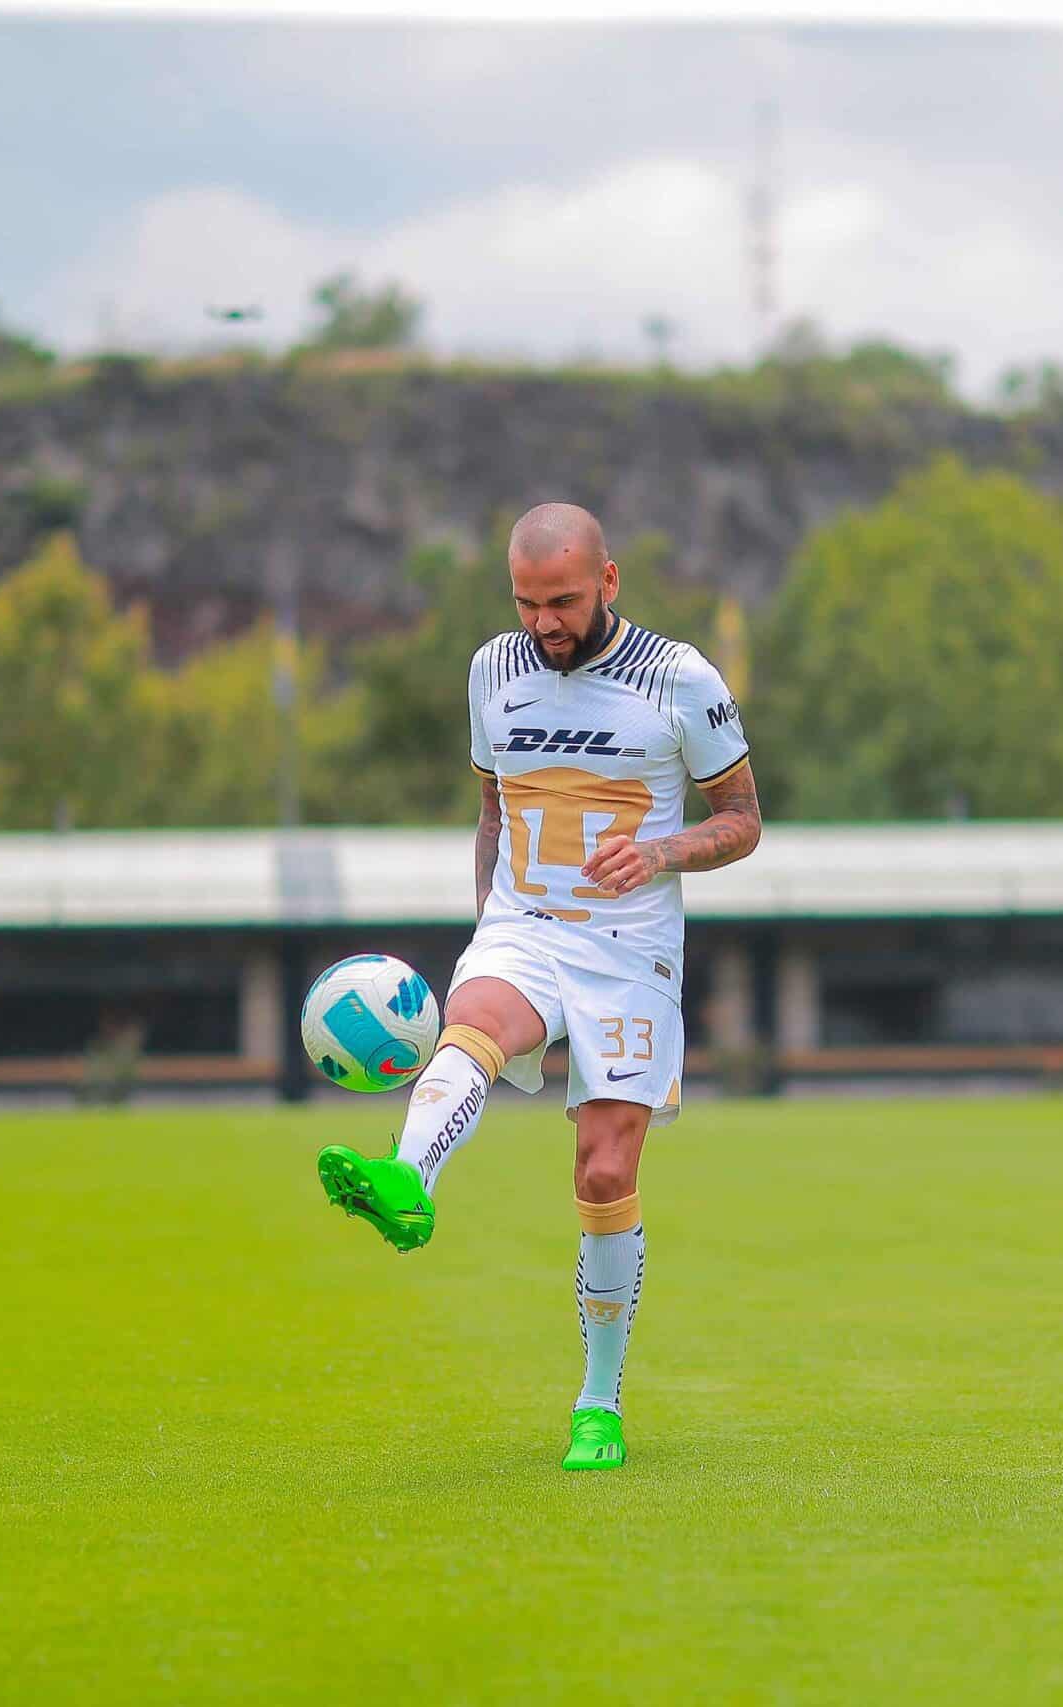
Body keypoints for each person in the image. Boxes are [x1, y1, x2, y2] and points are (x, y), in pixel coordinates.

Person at [315, 501, 763, 1471]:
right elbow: (491, 807)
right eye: (527, 603)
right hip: (525, 923)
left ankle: (597, 1402)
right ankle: (408, 1178)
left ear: (607, 583)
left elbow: (741, 821)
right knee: (472, 1020)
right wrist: (489, 922)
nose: (544, 623)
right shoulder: (492, 669)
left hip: (630, 949)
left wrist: (662, 851)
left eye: (561, 601)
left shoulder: (680, 679)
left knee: (604, 1173)